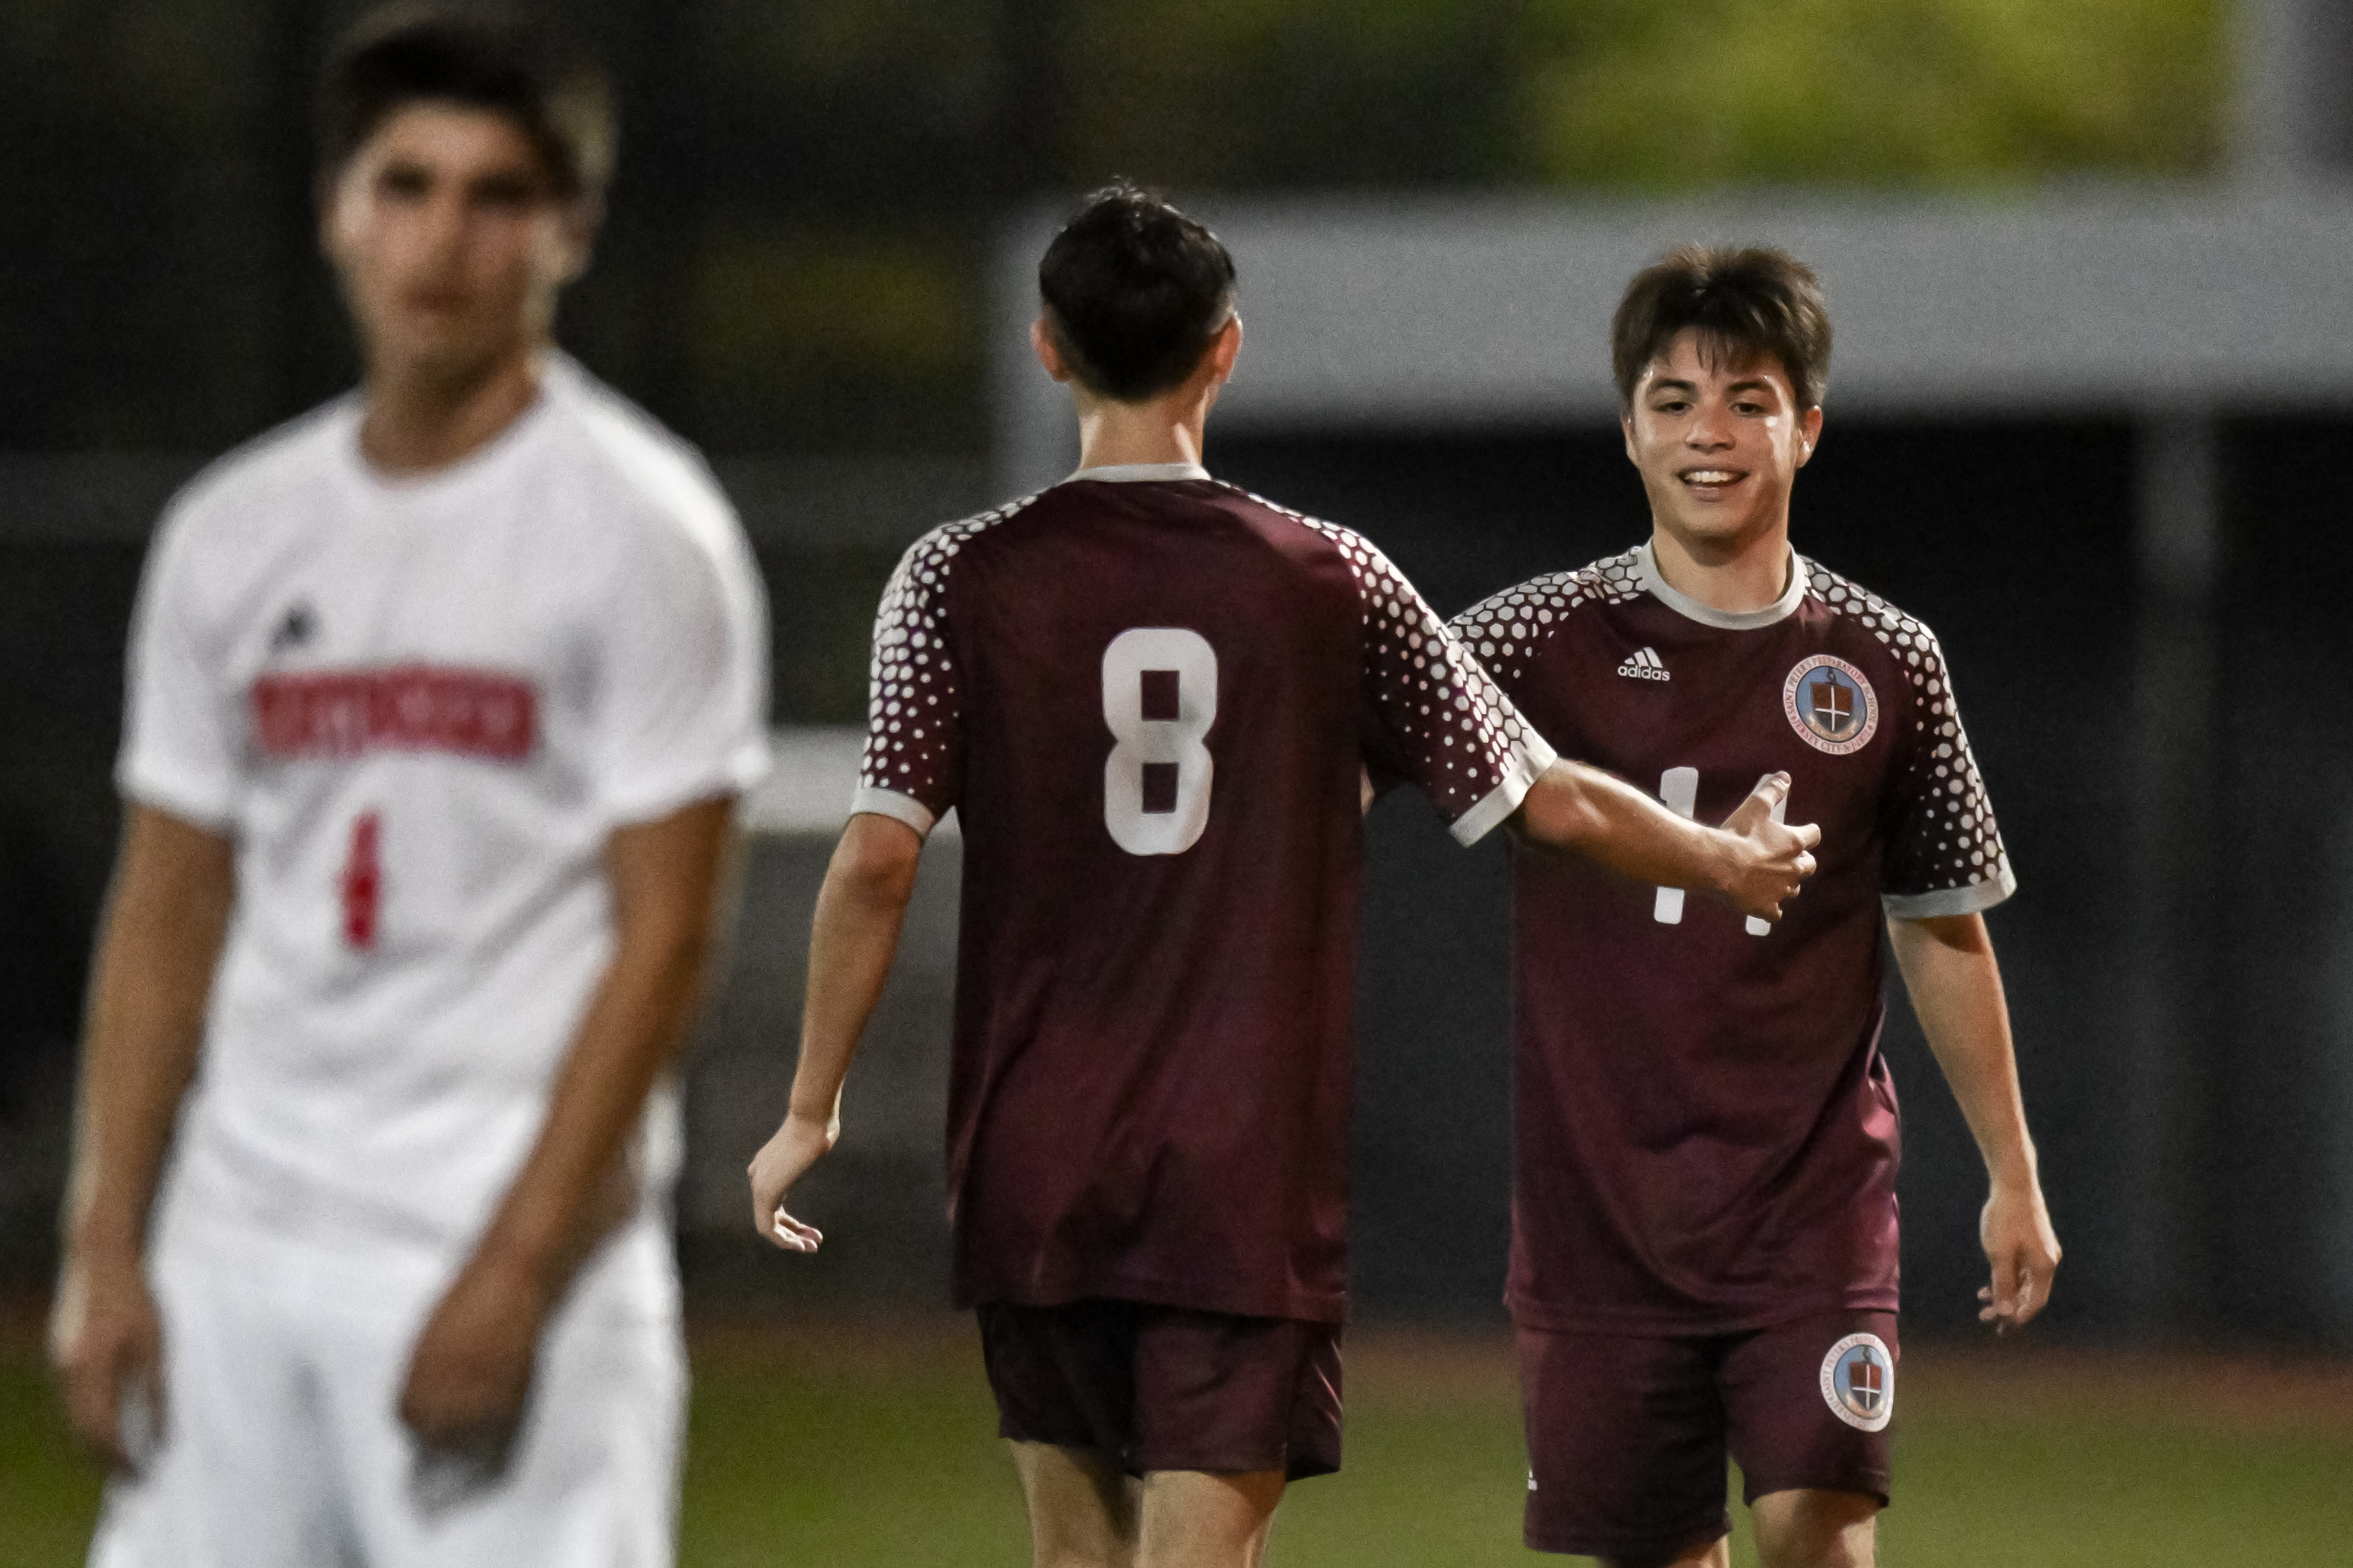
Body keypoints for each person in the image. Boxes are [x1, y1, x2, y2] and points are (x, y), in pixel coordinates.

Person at [746, 185, 1820, 1568]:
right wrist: (1717, 859)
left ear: (1048, 350)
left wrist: (807, 1105)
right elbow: (1540, 795)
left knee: (1071, 1557)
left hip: (1035, 1151)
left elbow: (878, 857)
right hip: (1236, 1168)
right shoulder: (1329, 579)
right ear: (1225, 350)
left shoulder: (953, 577)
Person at [48, 8, 769, 1564]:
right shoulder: (230, 534)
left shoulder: (645, 533)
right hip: (238, 1249)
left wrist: (514, 1274)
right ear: (336, 209)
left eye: (498, 195)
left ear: (567, 230)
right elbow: (169, 903)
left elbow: (667, 946)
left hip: (498, 1250)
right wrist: (105, 1243)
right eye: (406, 184)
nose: (443, 238)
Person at [1449, 245, 2062, 1568]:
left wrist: (2012, 1176)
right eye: (1671, 402)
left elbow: (1942, 923)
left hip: (1812, 1209)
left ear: (1807, 429)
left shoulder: (1885, 659)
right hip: (1597, 1221)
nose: (1707, 435)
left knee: (1813, 1532)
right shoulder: (1522, 642)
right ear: (1626, 431)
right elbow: (1338, 745)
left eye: (1745, 400)